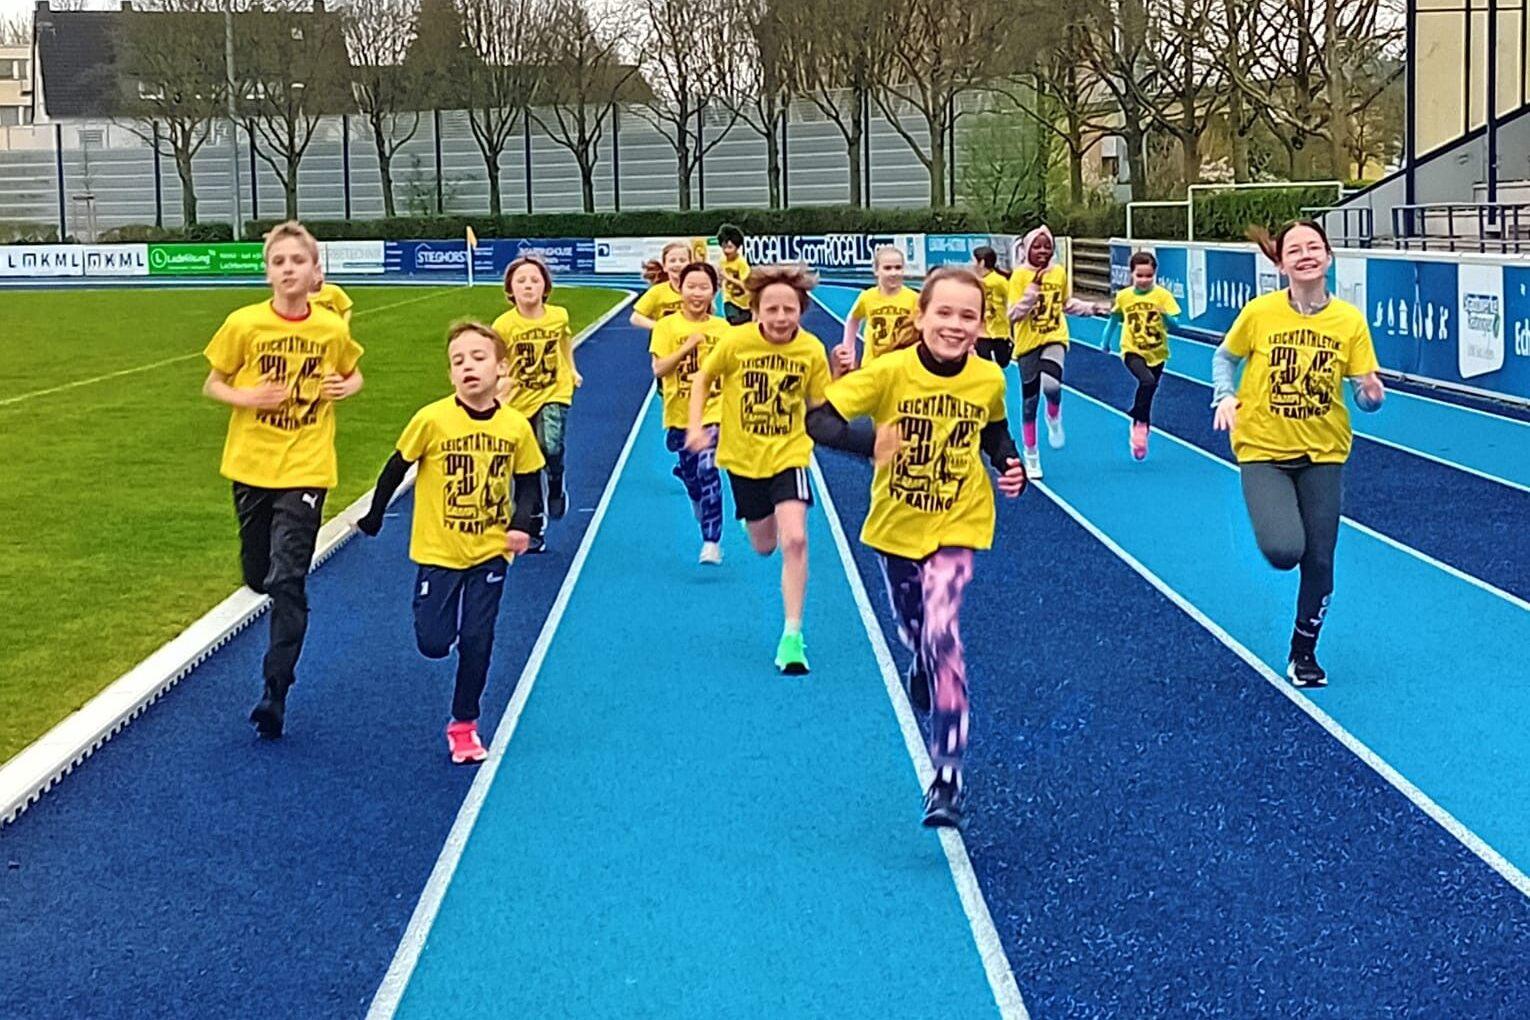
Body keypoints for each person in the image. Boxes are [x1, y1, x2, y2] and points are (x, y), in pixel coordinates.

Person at [807, 266, 1027, 828]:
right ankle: (920, 661)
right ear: (921, 317)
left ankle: (947, 778)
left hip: (960, 521)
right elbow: (820, 422)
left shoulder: (987, 379)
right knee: (915, 630)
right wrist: (870, 445)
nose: (956, 325)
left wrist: (1007, 463)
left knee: (943, 633)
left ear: (982, 325)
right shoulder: (888, 373)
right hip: (896, 526)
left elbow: (993, 431)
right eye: (945, 313)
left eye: (968, 316)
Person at [201, 220, 364, 738]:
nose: (288, 269)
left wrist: (345, 386)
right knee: (258, 575)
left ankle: (275, 692)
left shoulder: (330, 329)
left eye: (298, 261)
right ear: (268, 270)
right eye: (279, 261)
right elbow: (213, 382)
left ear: (316, 272)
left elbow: (353, 371)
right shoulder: (244, 325)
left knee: (287, 579)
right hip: (251, 465)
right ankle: (264, 585)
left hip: (307, 465)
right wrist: (246, 397)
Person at [357, 321, 544, 764]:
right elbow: (395, 467)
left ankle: (464, 724)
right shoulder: (432, 419)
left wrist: (522, 525)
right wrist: (375, 514)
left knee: (479, 638)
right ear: (450, 374)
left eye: (478, 358)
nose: (468, 367)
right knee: (434, 642)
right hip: (438, 551)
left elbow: (530, 481)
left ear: (501, 367)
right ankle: (443, 632)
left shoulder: (515, 426)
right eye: (458, 361)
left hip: (490, 551)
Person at [1211, 220, 1385, 689]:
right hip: (1264, 449)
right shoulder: (1260, 312)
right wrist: (1224, 395)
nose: (1306, 255)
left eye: (1314, 246)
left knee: (1321, 560)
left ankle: (1303, 652)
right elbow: (1224, 357)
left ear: (1328, 256)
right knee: (1285, 550)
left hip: (1324, 451)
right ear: (1280, 262)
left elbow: (1366, 395)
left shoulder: (1348, 320)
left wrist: (1371, 392)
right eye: (1295, 249)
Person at [687, 265, 831, 675]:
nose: (781, 317)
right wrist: (697, 426)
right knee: (763, 545)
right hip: (743, 458)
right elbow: (702, 379)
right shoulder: (736, 343)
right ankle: (757, 526)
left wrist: (843, 377)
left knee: (796, 539)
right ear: (756, 311)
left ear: (801, 310)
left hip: (789, 455)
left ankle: (792, 636)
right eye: (772, 309)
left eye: (790, 309)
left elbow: (822, 407)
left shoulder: (811, 350)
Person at [1006, 225, 1110, 478]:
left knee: (1052, 386)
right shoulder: (1019, 277)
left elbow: (1065, 303)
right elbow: (1012, 314)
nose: (1042, 251)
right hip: (1028, 342)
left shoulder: (1059, 273)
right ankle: (1031, 456)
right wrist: (1030, 295)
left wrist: (1092, 308)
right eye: (1037, 246)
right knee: (1029, 403)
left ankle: (1054, 415)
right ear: (1027, 249)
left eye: (1047, 246)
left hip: (1055, 336)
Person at [492, 256, 579, 553]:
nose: (528, 286)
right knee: (525, 465)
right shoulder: (503, 325)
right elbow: (498, 360)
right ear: (510, 290)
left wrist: (573, 369)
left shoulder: (559, 316)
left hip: (555, 390)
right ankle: (533, 525)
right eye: (521, 281)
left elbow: (565, 343)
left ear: (545, 287)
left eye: (534, 280)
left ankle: (556, 480)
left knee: (550, 444)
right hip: (518, 399)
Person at [650, 262, 731, 564]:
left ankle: (712, 540)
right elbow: (659, 368)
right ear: (680, 289)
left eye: (704, 287)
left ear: (714, 292)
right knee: (692, 474)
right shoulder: (666, 326)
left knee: (708, 467)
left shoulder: (722, 329)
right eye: (691, 286)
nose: (697, 293)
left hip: (716, 410)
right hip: (680, 413)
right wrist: (687, 348)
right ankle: (695, 496)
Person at [1100, 251, 1181, 460]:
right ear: (1131, 275)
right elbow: (1114, 319)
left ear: (1155, 275)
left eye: (1148, 276)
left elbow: (1176, 326)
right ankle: (1140, 424)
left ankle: (1139, 424)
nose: (1144, 280)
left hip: (1157, 351)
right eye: (1139, 276)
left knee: (1150, 390)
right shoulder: (1125, 296)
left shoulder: (1163, 296)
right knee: (1146, 380)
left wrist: (1164, 315)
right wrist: (1105, 341)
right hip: (1132, 349)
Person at [834, 245, 919, 376]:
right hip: (872, 366)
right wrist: (848, 350)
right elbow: (853, 319)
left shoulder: (914, 299)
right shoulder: (868, 297)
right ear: (876, 270)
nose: (893, 273)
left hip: (902, 367)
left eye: (898, 267)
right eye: (887, 268)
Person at [630, 241, 692, 330]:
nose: (678, 264)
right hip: (664, 342)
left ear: (690, 264)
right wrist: (660, 328)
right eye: (672, 260)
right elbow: (635, 317)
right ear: (665, 267)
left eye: (682, 260)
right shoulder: (657, 291)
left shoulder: (697, 289)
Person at [971, 245, 1012, 367]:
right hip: (985, 332)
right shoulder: (979, 282)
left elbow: (1011, 299)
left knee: (999, 364)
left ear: (982, 262)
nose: (971, 264)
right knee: (988, 366)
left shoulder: (997, 281)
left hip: (998, 331)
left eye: (973, 261)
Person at [717, 224, 752, 326]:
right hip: (729, 299)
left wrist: (728, 277)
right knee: (732, 321)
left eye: (730, 247)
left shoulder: (741, 263)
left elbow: (745, 285)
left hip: (744, 302)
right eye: (724, 247)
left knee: (744, 325)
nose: (726, 251)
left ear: (737, 247)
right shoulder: (722, 261)